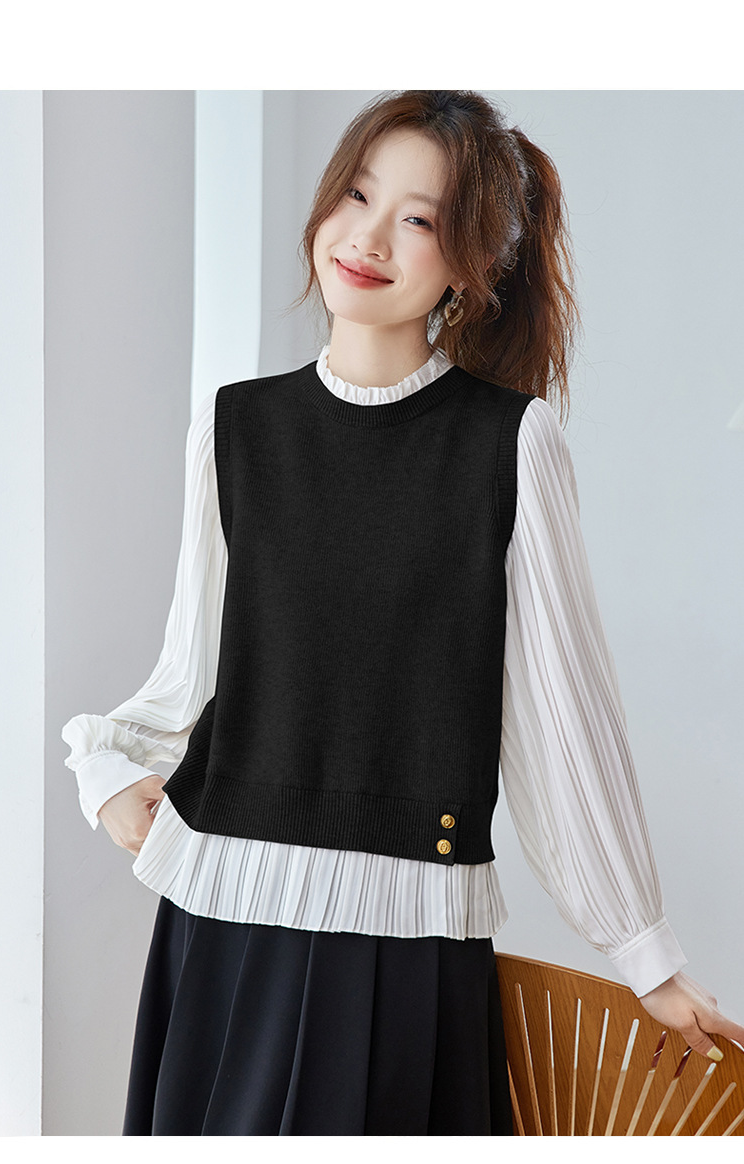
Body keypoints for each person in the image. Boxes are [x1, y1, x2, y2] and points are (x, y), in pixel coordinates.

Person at [61, 90, 744, 1137]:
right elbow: (190, 674)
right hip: (218, 923)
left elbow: (561, 723)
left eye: (419, 218)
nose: (370, 236)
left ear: (470, 265)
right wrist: (105, 768)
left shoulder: (508, 445)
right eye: (358, 194)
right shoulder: (236, 428)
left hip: (402, 942)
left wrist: (645, 953)